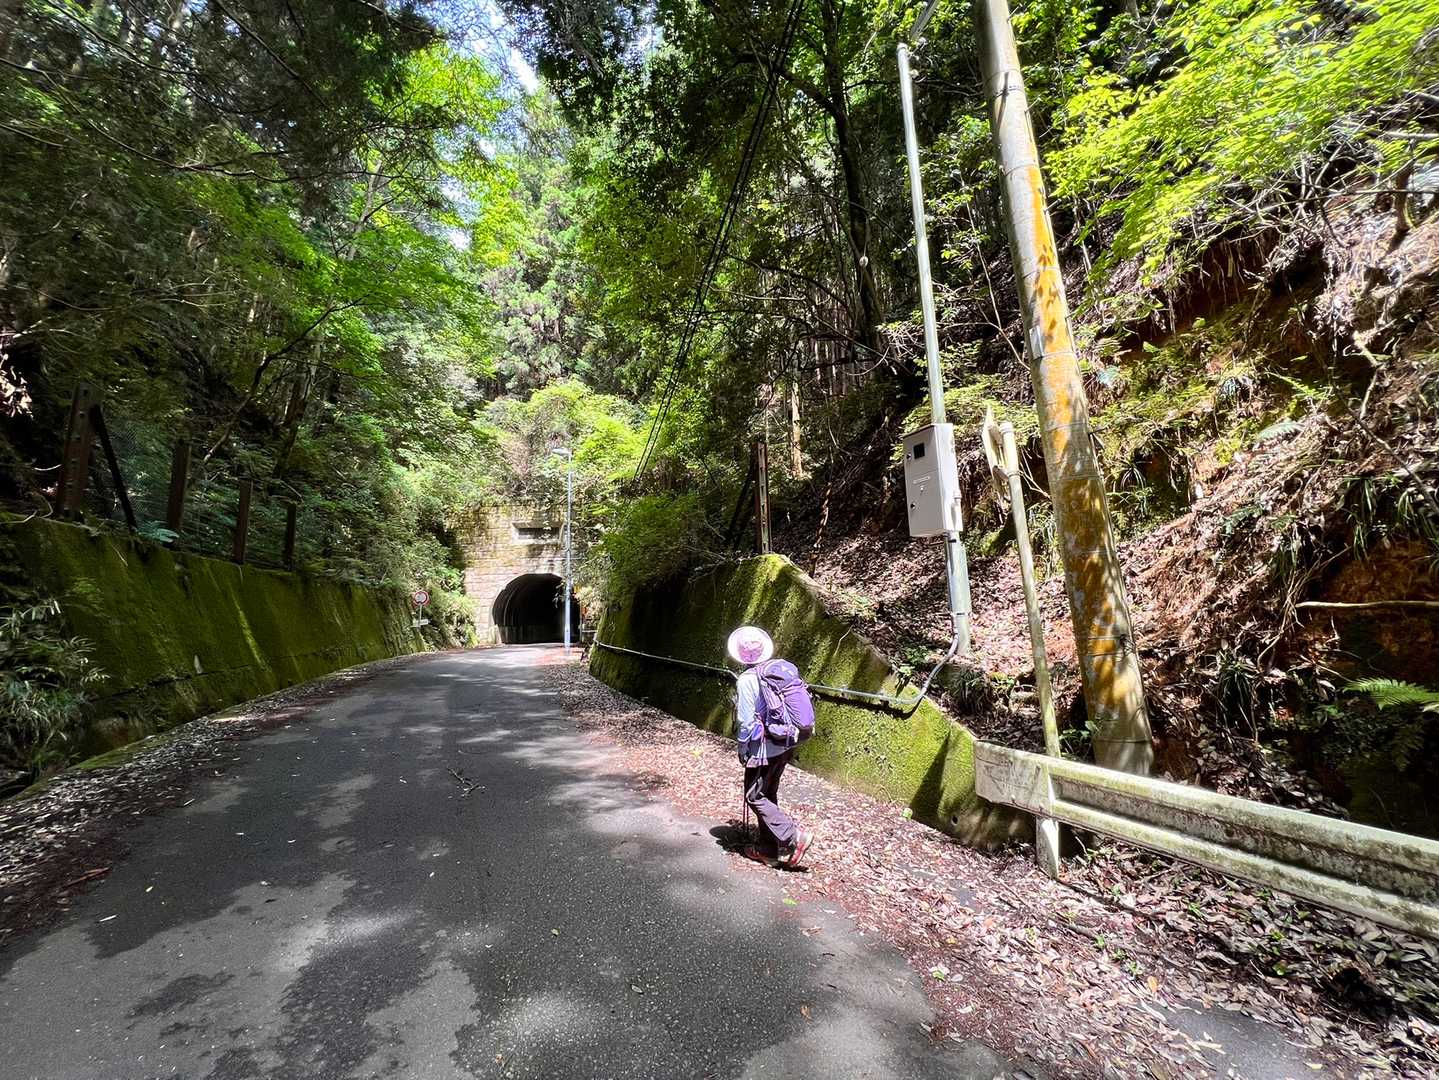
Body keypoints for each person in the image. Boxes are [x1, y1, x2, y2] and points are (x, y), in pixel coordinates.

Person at [728, 625, 814, 868]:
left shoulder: (747, 680)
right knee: (768, 794)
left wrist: (743, 749)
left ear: (741, 656)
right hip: (785, 743)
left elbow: (746, 722)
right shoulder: (777, 671)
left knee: (754, 795)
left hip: (764, 749)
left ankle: (793, 836)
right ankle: (768, 850)